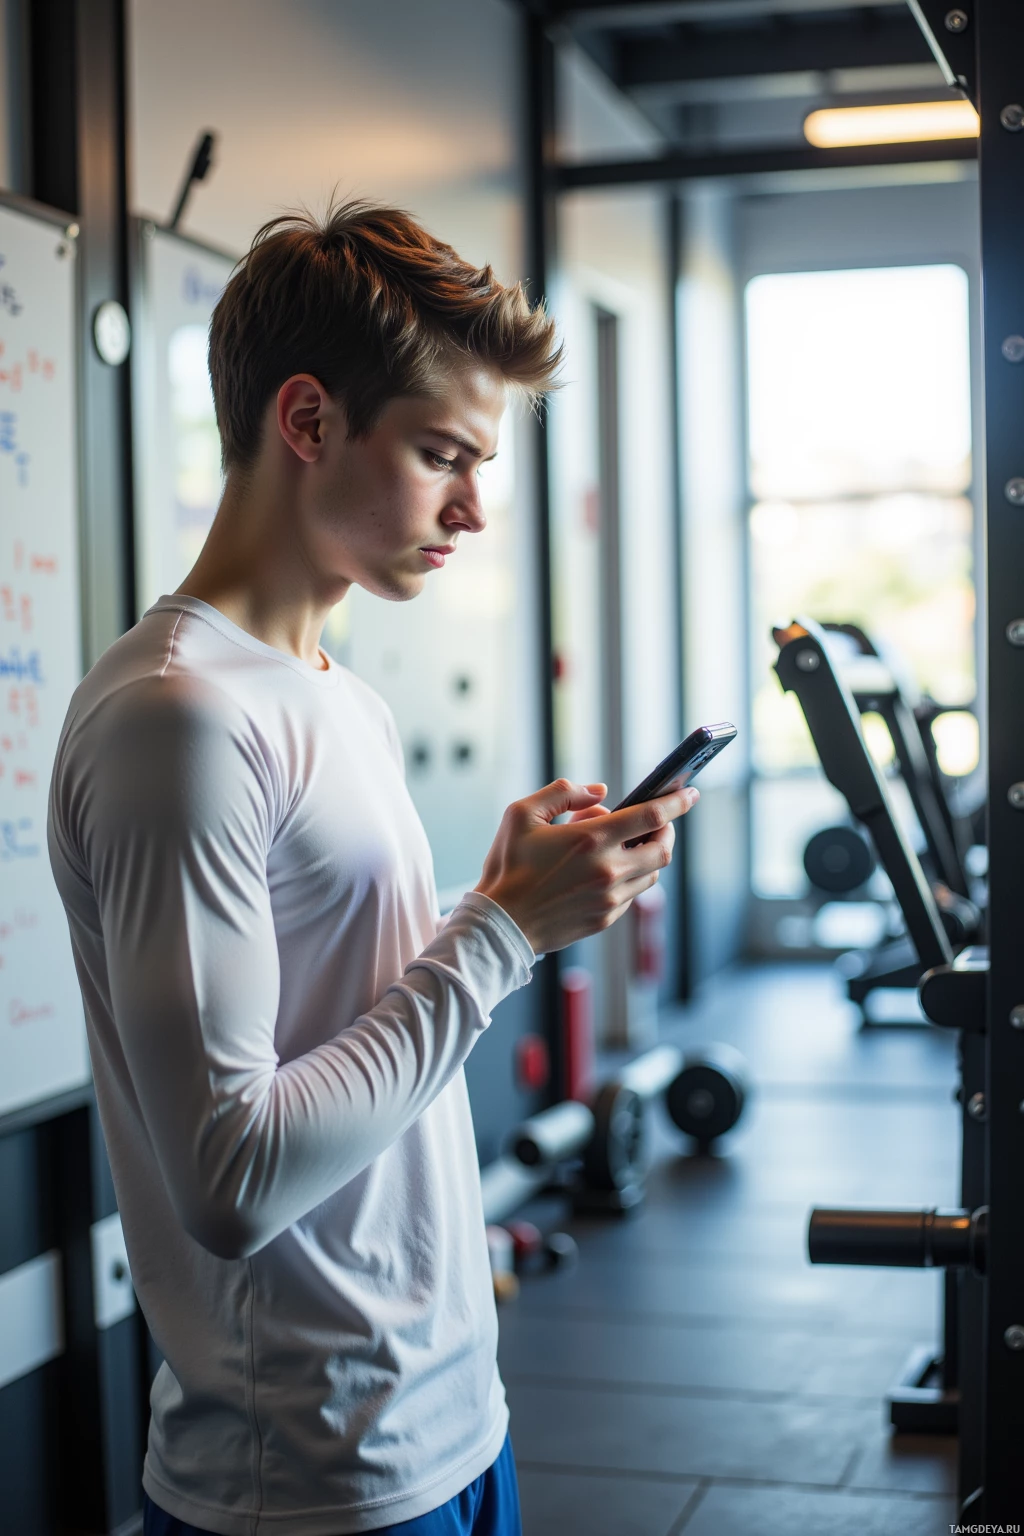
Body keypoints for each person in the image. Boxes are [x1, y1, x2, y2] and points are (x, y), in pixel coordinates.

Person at [47, 201, 698, 1536]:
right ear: (308, 421)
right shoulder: (180, 718)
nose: (471, 506)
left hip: (456, 1412)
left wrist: (496, 898)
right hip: (310, 1477)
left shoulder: (337, 692)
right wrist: (502, 937)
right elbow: (231, 1180)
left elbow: (348, 1014)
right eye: (442, 454)